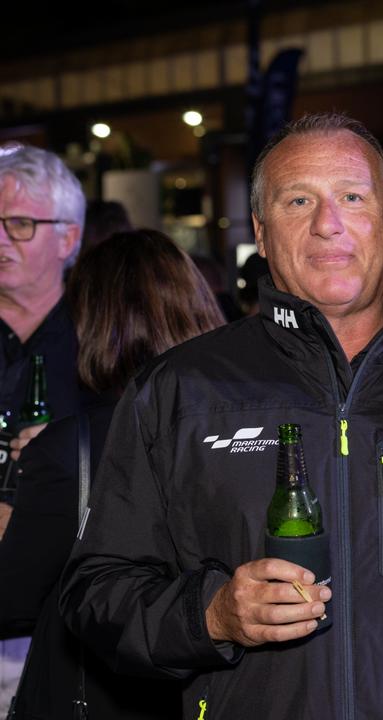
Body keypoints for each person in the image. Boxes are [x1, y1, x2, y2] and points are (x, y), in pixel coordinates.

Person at [60, 112, 383, 719]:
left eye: (352, 196)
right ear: (262, 235)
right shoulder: (182, 389)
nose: (328, 224)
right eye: (299, 201)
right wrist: (210, 615)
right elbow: (96, 592)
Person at [0, 229, 223, 719]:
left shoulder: (70, 448)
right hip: (209, 694)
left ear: (93, 323)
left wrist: (20, 488)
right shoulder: (241, 430)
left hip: (96, 700)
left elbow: (10, 601)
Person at [0, 142, 84, 712]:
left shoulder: (101, 340)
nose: (0, 239)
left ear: (68, 238)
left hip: (65, 617)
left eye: (20, 223)